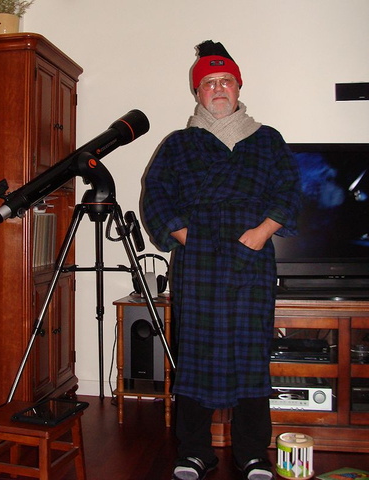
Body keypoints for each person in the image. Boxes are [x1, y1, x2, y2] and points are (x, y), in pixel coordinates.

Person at [142, 40, 301, 480]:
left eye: (225, 81)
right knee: (195, 357)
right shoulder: (178, 144)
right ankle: (195, 451)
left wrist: (261, 233)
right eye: (209, 82)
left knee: (251, 358)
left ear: (238, 87)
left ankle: (252, 453)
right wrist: (187, 236)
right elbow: (156, 196)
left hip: (252, 260)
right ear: (197, 92)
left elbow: (290, 190)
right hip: (199, 262)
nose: (218, 88)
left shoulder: (267, 140)